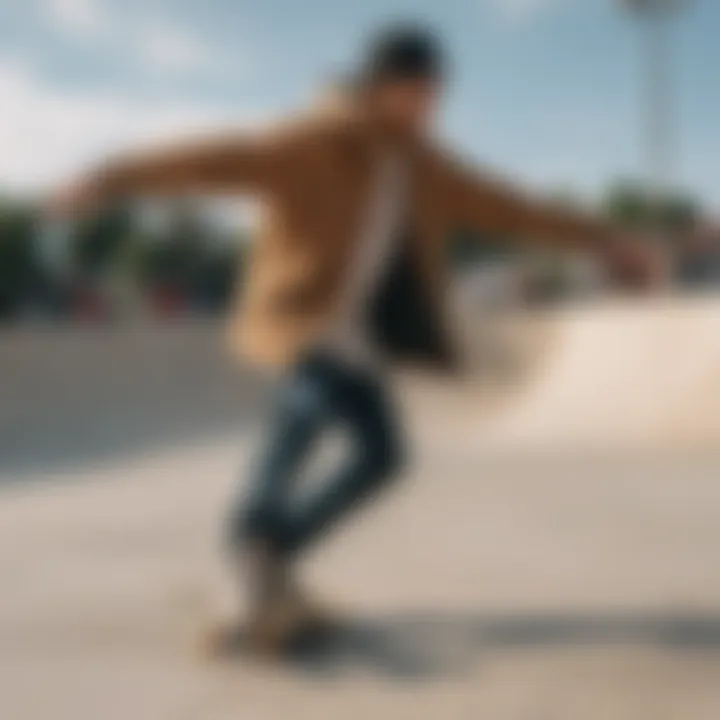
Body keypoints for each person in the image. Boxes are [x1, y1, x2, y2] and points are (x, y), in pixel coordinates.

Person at [50, 23, 662, 653]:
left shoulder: (425, 164)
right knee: (306, 409)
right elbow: (219, 157)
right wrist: (109, 178)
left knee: (384, 456)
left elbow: (509, 207)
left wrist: (604, 238)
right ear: (384, 85)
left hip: (361, 340)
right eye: (422, 92)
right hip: (303, 320)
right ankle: (255, 555)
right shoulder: (316, 140)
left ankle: (269, 556)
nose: (432, 107)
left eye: (438, 94)